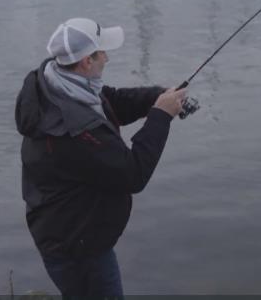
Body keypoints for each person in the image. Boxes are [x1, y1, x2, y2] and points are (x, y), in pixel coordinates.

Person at [15, 17, 186, 299]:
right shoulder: (76, 129)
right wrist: (160, 116)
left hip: (69, 233)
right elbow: (133, 174)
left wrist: (158, 97)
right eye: (101, 52)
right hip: (77, 249)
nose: (106, 57)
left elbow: (111, 101)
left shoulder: (58, 83)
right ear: (86, 62)